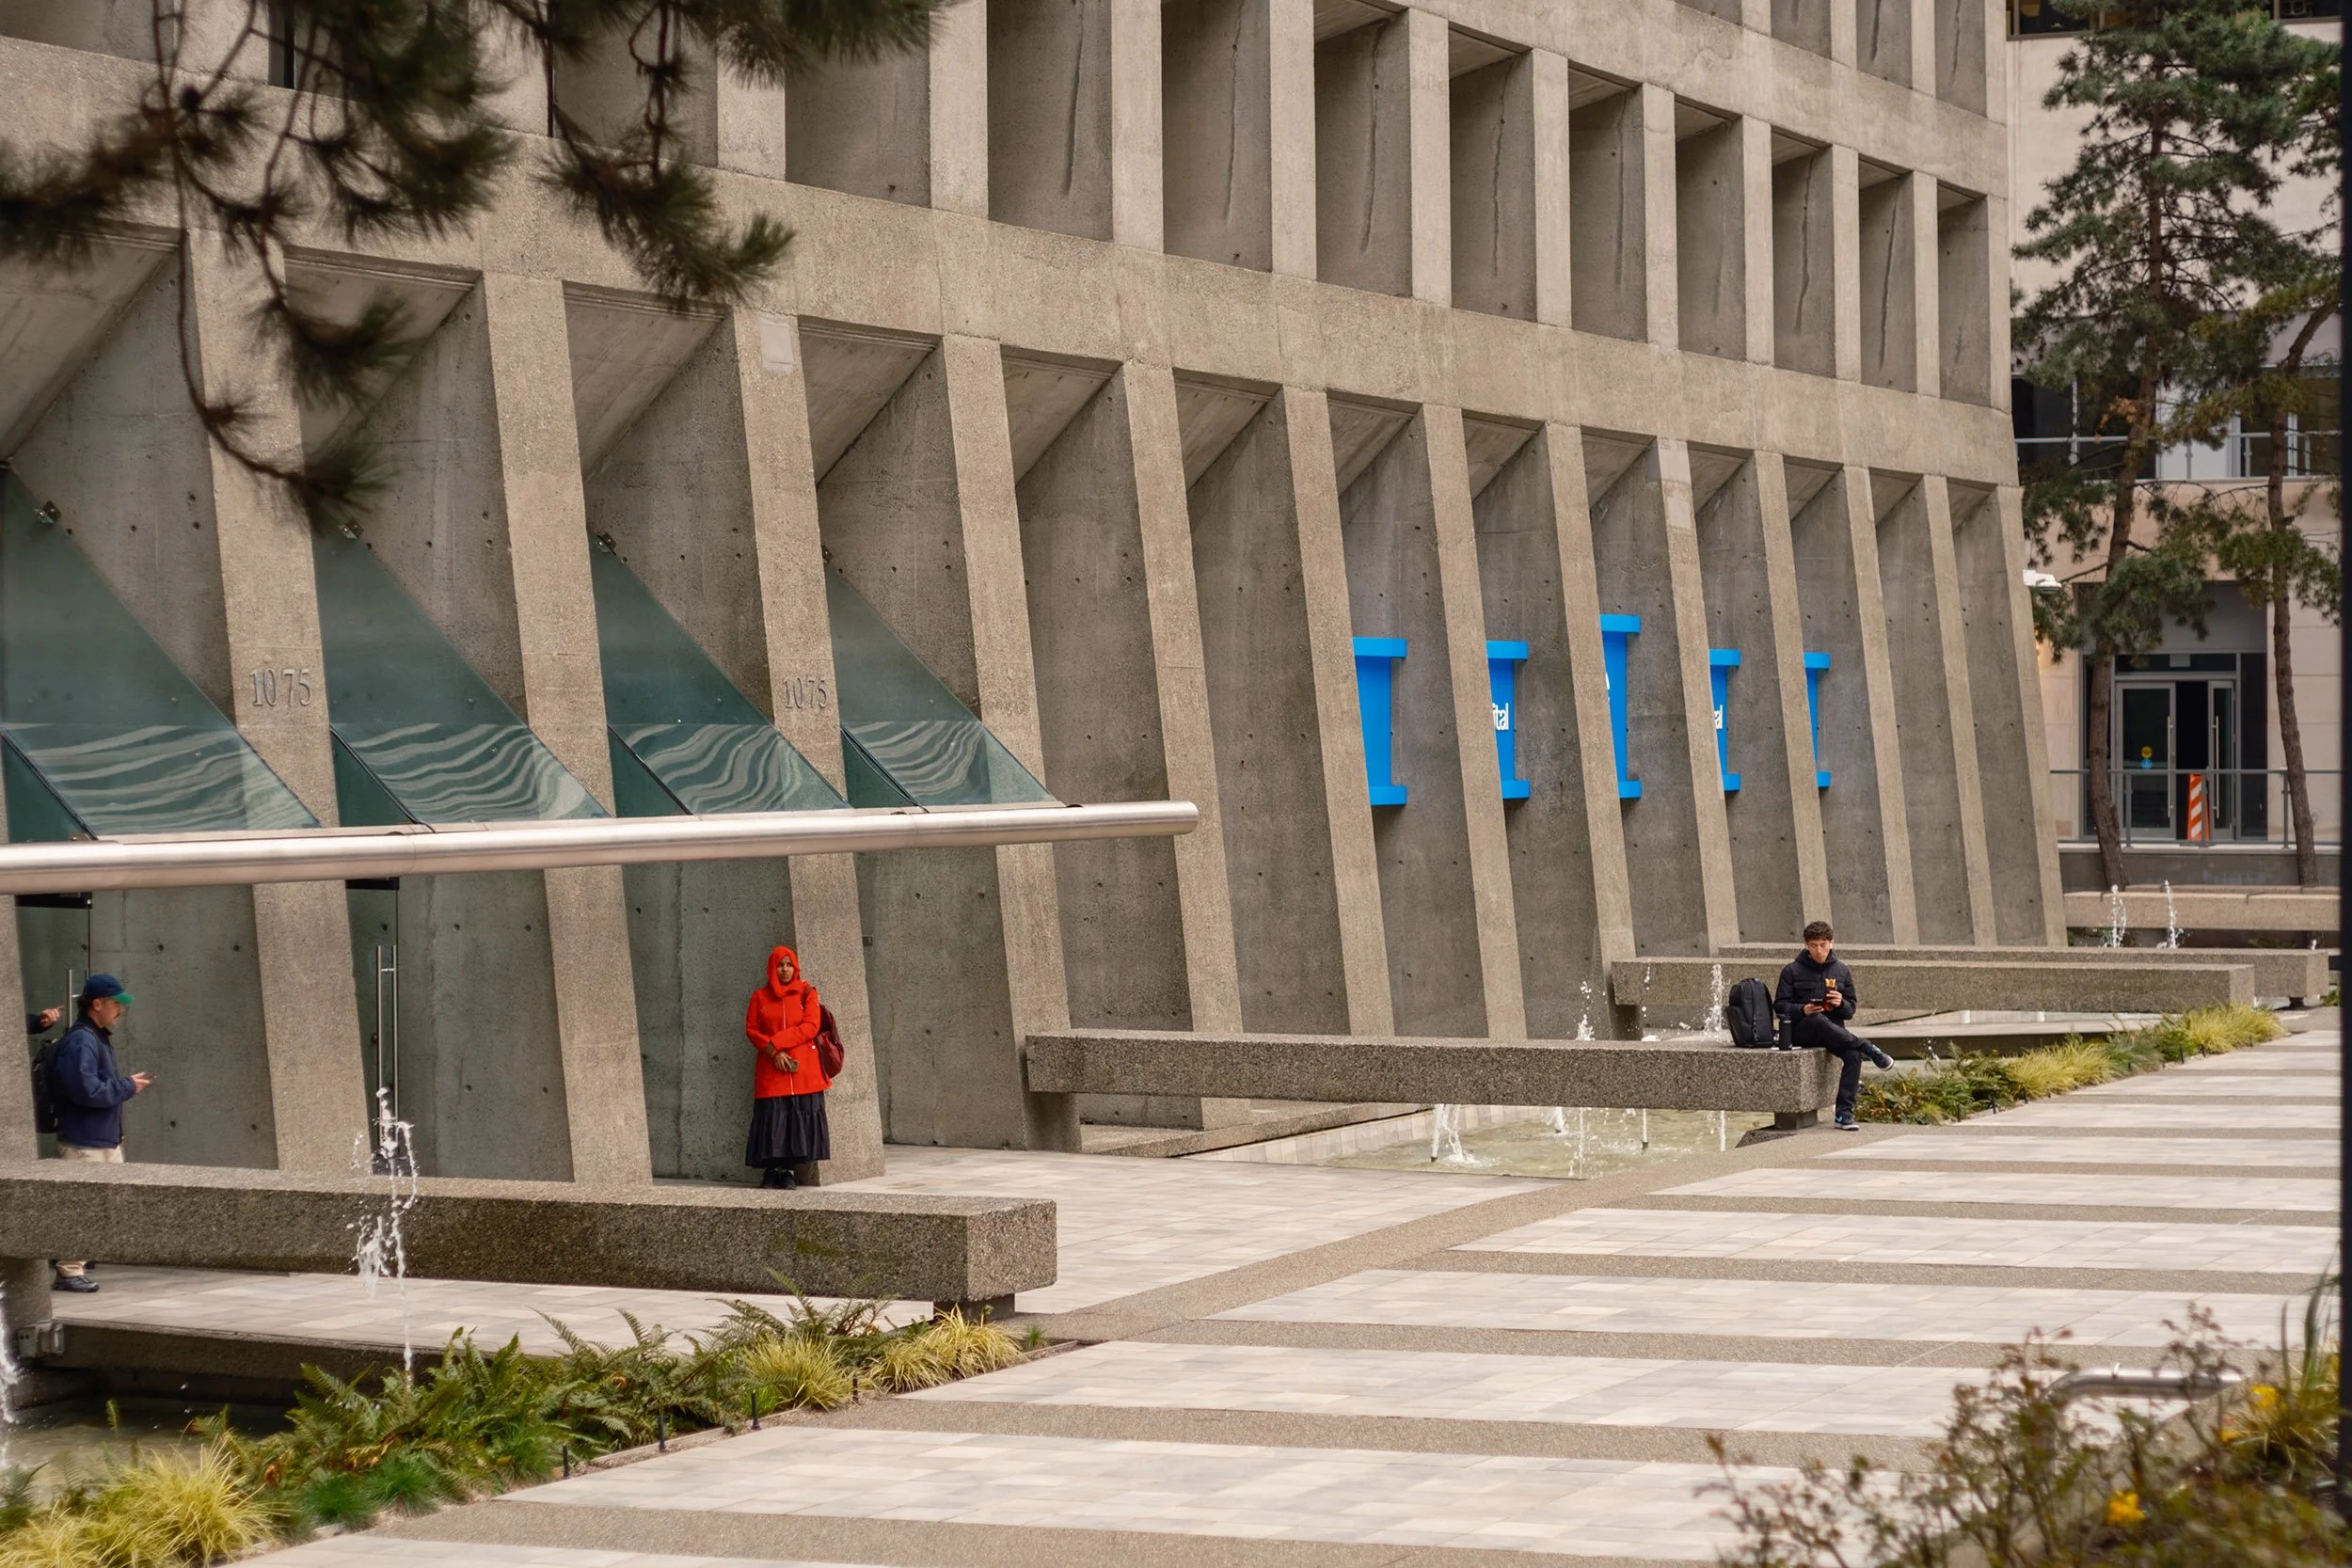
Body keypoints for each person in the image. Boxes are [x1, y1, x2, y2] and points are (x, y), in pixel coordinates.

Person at [48, 974, 145, 1291]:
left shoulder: (94, 1037)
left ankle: (75, 1265)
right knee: (81, 1206)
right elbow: (86, 1090)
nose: (120, 1010)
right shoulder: (83, 1040)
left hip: (99, 1138)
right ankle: (69, 1271)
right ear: (97, 1004)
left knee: (95, 1207)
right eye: (116, 1003)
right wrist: (127, 1086)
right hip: (85, 1140)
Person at [1775, 923, 1892, 1132]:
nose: (1819, 950)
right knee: (1817, 1018)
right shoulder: (1791, 970)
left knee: (1853, 1055)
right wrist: (1803, 1009)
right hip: (1804, 1031)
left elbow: (1850, 1011)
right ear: (1806, 945)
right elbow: (1780, 1007)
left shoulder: (1842, 970)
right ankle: (1866, 1045)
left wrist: (1841, 1003)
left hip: (1835, 1034)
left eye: (1823, 945)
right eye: (1813, 945)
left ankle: (1843, 1115)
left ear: (1831, 943)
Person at [743, 945, 830, 1190]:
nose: (784, 969)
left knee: (794, 1119)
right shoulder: (759, 996)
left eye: (789, 964)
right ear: (772, 968)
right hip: (772, 1068)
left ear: (795, 967)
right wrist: (773, 1052)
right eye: (780, 965)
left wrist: (775, 1043)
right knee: (773, 1118)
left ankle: (789, 1171)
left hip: (801, 1070)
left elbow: (811, 1026)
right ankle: (771, 1170)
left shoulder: (807, 993)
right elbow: (751, 1029)